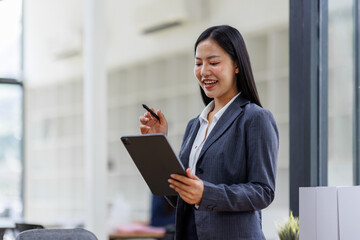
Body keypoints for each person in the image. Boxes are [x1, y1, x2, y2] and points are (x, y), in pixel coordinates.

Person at [139, 25, 278, 240]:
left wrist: (206, 193)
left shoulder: (255, 118)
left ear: (237, 65)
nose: (204, 71)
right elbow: (178, 198)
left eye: (213, 62)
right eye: (198, 63)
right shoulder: (195, 125)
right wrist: (159, 145)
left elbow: (263, 192)